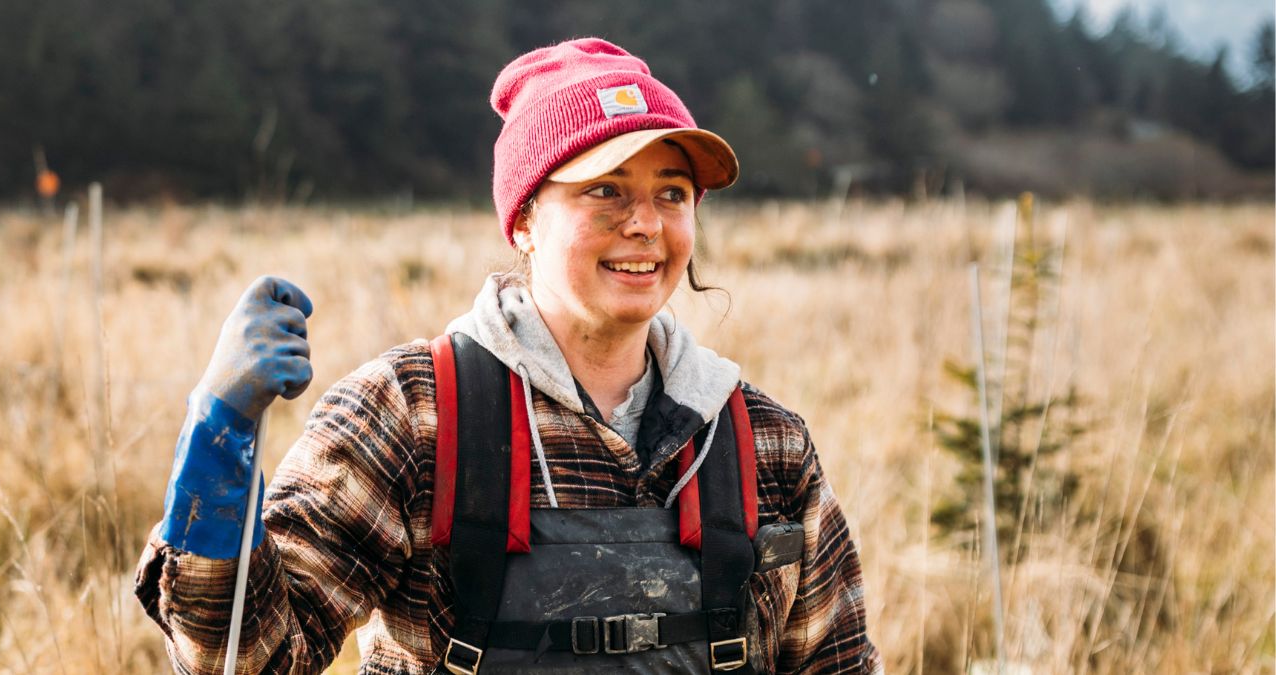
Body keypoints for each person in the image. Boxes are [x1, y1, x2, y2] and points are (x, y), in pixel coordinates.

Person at [135, 37, 881, 674]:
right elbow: (249, 658)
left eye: (672, 193)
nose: (646, 225)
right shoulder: (415, 413)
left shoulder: (761, 442)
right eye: (605, 191)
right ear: (523, 218)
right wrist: (219, 445)